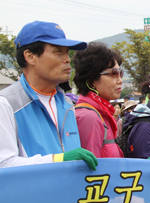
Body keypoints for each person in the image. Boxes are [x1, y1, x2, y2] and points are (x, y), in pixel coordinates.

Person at [0, 21, 97, 169]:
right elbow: (4, 164)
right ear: (30, 56)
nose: (67, 59)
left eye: (67, 52)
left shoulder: (66, 103)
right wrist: (58, 160)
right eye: (58, 51)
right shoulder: (6, 104)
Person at [72, 42, 124, 158]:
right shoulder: (89, 117)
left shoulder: (103, 114)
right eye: (113, 74)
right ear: (91, 81)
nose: (120, 80)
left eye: (120, 73)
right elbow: (90, 172)